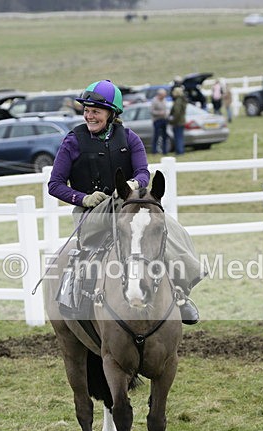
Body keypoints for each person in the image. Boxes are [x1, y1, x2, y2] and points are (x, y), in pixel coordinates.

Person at [47, 79, 203, 324]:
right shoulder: (72, 141)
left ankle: (181, 292)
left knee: (163, 227)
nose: (89, 116)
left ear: (111, 113)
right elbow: (54, 185)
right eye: (86, 111)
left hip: (128, 206)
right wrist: (83, 197)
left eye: (95, 111)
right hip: (91, 214)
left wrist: (135, 185)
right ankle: (75, 293)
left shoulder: (131, 139)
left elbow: (143, 172)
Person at [169, 85, 187, 155]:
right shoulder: (182, 99)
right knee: (180, 137)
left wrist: (172, 120)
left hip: (178, 122)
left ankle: (179, 151)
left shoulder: (178, 101)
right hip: (181, 121)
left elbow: (177, 112)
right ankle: (181, 151)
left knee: (178, 137)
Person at [150, 88, 169, 155]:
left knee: (164, 136)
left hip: (164, 120)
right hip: (157, 120)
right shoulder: (154, 101)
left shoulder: (164, 100)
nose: (164, 96)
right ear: (160, 94)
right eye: (163, 95)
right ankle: (154, 151)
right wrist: (159, 113)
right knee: (156, 136)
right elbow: (152, 111)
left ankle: (164, 151)